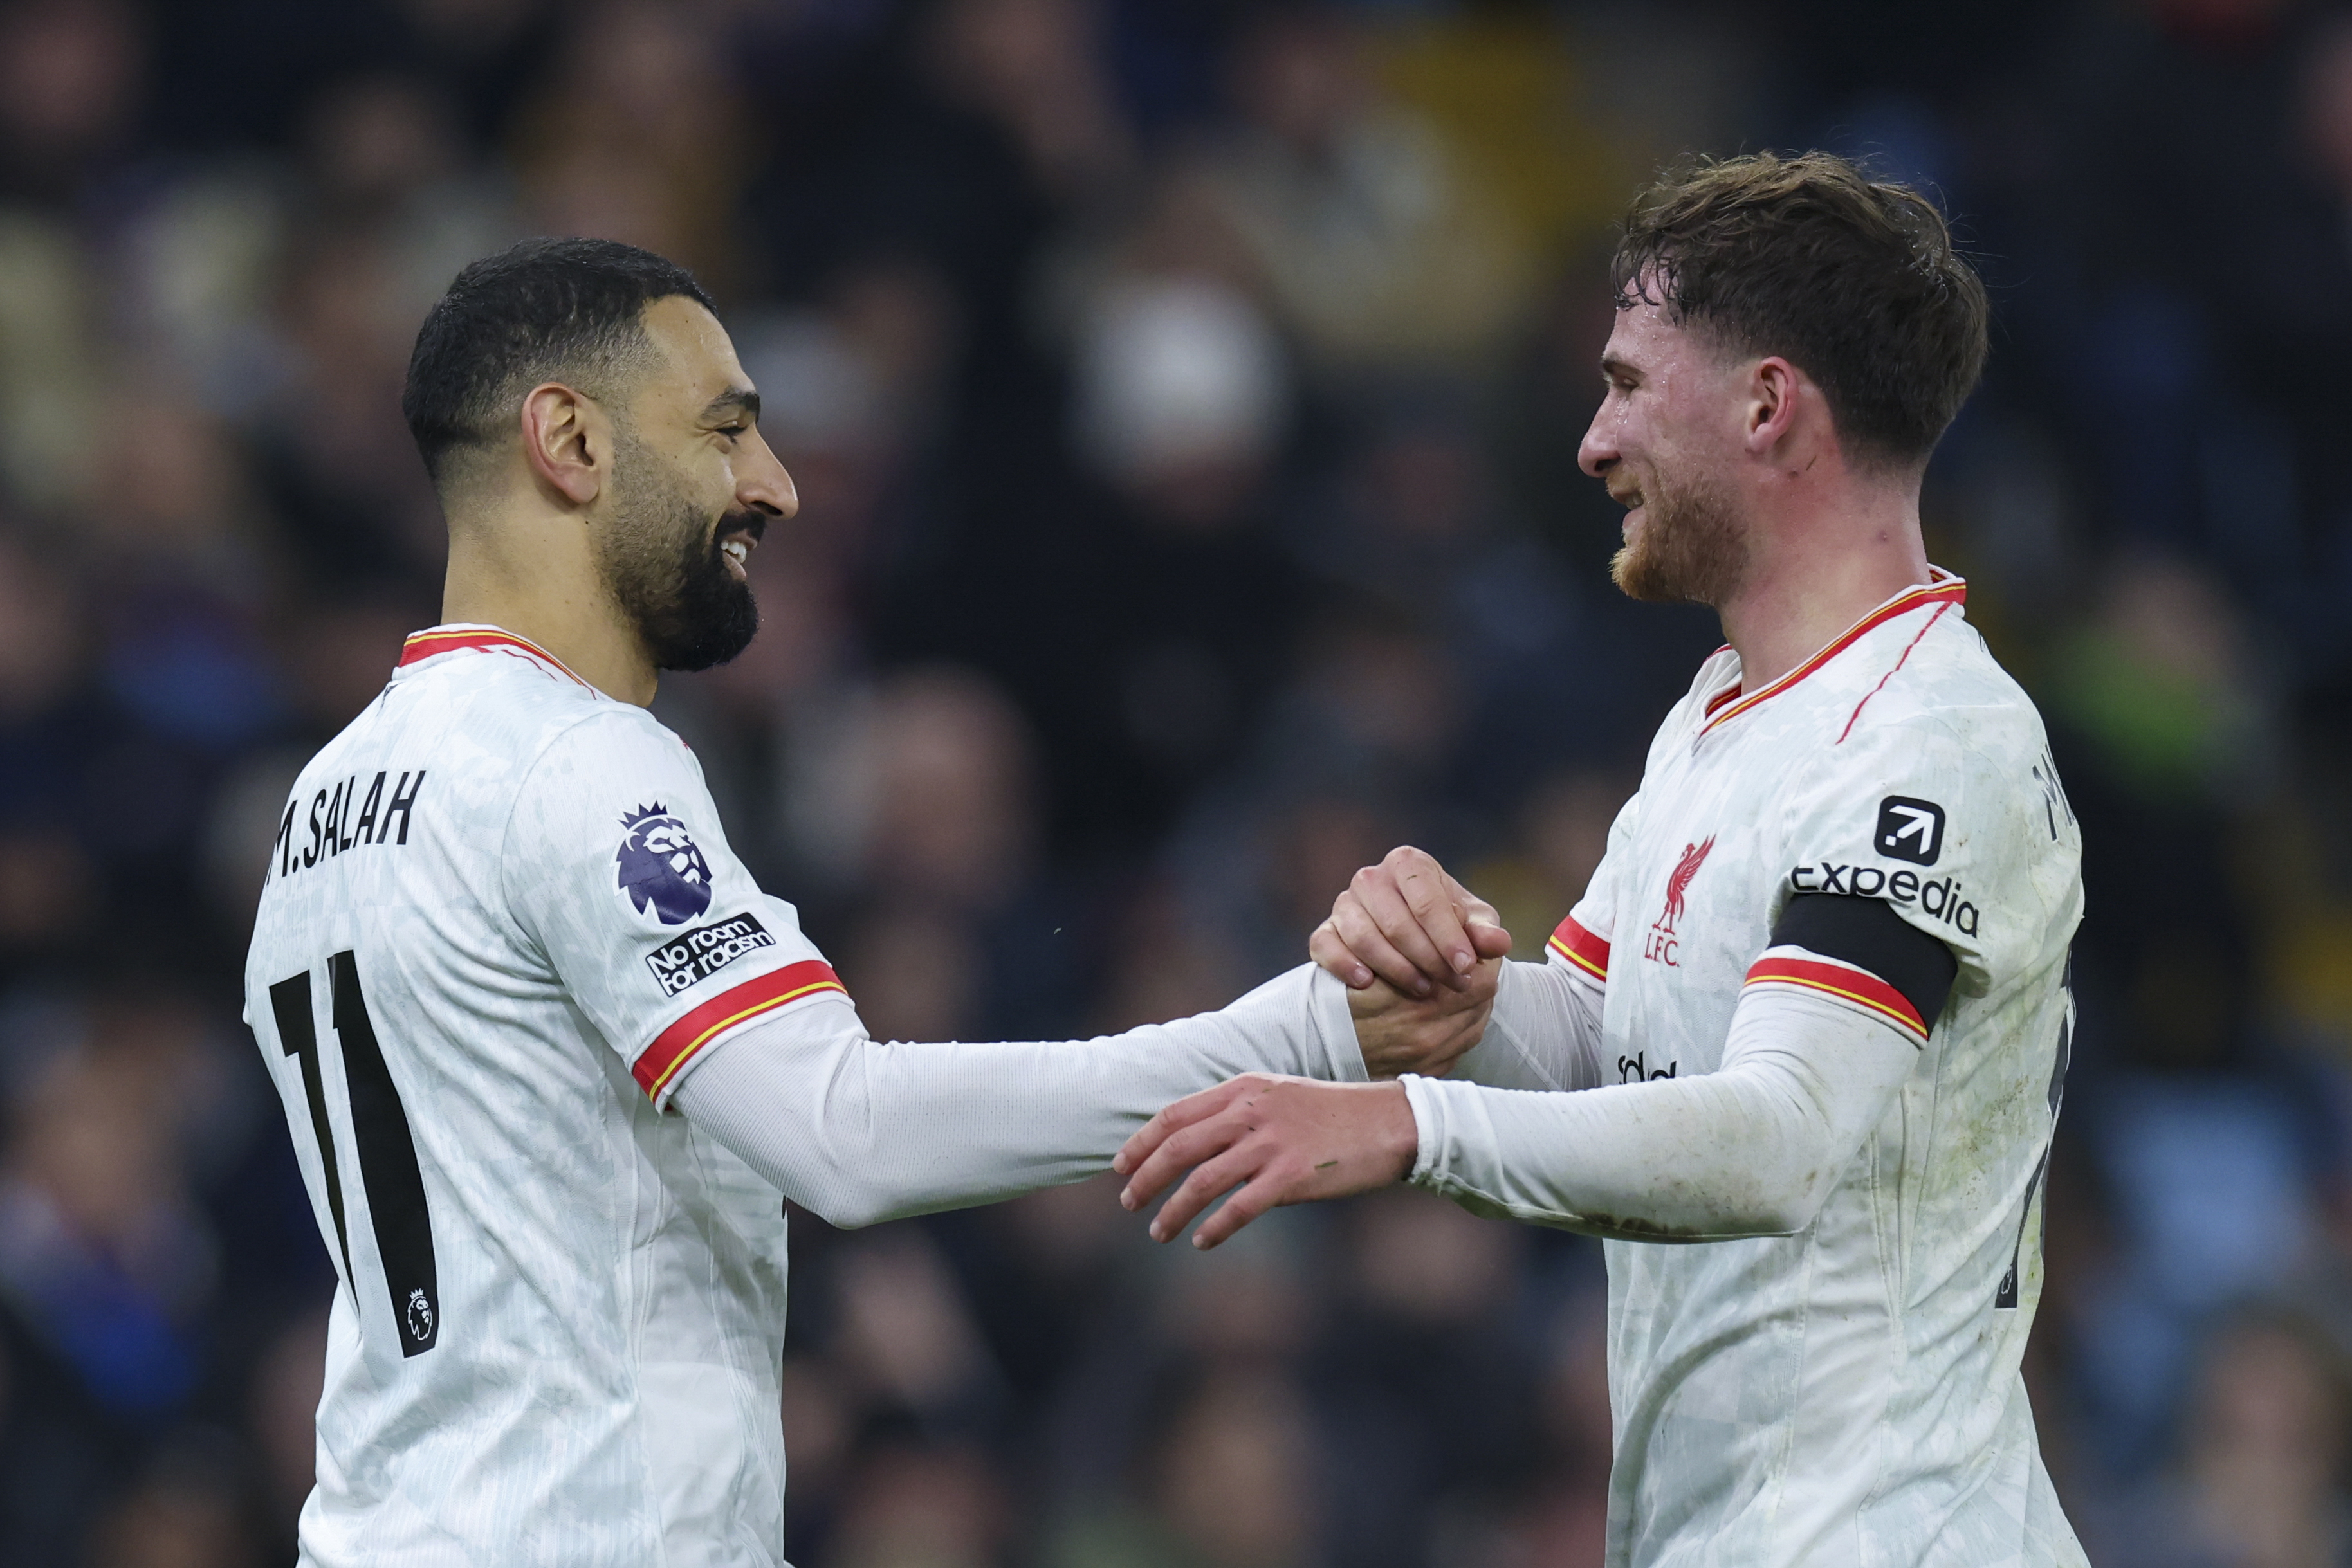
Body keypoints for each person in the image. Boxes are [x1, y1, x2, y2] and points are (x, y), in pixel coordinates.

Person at [240, 237, 1491, 1567]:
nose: (770, 487)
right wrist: (1304, 1039)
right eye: (724, 429)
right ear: (570, 442)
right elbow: (846, 1132)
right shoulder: (573, 759)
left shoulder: (326, 800)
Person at [1114, 153, 2088, 1565]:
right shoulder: (1714, 720)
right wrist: (1445, 1000)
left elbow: (1777, 1134)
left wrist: (1408, 1132)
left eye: (1628, 382)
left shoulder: (1932, 743)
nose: (1590, 439)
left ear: (1764, 405)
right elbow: (1592, 1039)